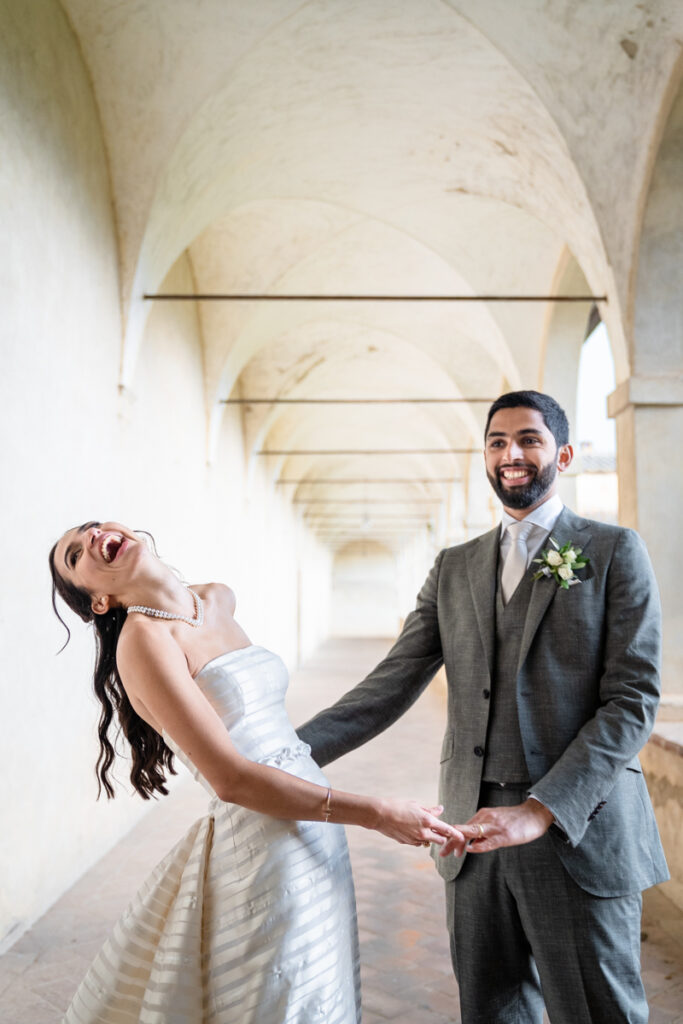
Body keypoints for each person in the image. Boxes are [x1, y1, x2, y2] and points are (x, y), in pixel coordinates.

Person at [298, 390, 669, 1024]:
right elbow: (392, 682)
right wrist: (279, 755)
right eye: (497, 442)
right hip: (466, 834)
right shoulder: (453, 567)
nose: (511, 454)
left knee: (599, 1011)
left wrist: (541, 810)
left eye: (529, 439)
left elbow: (633, 700)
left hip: (577, 832)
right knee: (491, 1011)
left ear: (565, 454)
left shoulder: (613, 552)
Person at [49, 522, 469, 1024]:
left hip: (314, 825)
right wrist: (374, 812)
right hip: (261, 834)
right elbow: (230, 778)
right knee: (286, 996)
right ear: (99, 601)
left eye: (94, 527)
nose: (94, 537)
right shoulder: (143, 640)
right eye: (76, 554)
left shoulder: (216, 598)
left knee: (323, 985)